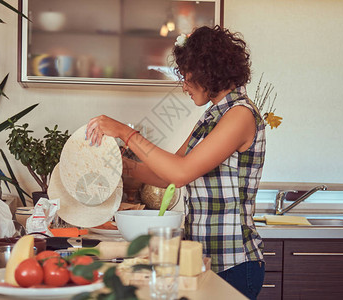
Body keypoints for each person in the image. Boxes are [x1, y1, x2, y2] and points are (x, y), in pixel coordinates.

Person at [85, 25, 265, 299]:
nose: (183, 86)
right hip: (205, 260)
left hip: (234, 262)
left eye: (186, 75)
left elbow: (180, 173)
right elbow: (168, 174)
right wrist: (117, 164)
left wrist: (125, 132)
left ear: (208, 70)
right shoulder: (213, 116)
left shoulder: (240, 115)